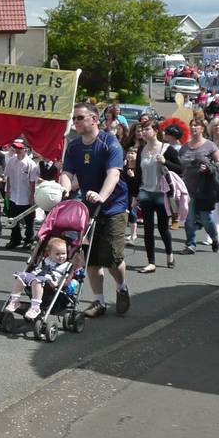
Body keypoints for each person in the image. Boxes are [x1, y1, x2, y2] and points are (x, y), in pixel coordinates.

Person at [60, 100, 130, 318]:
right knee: (90, 257)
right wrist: (62, 191)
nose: (76, 122)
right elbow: (67, 174)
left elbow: (114, 174)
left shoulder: (110, 144)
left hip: (114, 207)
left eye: (80, 118)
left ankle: (121, 287)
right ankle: (98, 301)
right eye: (74, 119)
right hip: (87, 208)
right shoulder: (74, 147)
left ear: (94, 118)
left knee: (112, 258)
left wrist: (101, 195)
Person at [133, 119, 181, 272]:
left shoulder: (167, 149)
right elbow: (138, 174)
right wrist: (135, 195)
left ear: (155, 131)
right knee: (147, 228)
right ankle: (151, 262)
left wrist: (165, 161)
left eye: (147, 129)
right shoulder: (142, 149)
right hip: (146, 193)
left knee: (162, 228)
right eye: (142, 129)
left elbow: (181, 169)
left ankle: (169, 253)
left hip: (162, 194)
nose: (143, 132)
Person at [178, 118, 219, 255]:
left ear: (202, 129)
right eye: (191, 125)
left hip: (204, 189)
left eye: (196, 126)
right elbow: (179, 165)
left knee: (205, 218)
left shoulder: (210, 146)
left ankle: (214, 238)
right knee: (189, 217)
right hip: (187, 188)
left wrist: (208, 167)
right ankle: (191, 245)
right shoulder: (184, 147)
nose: (193, 128)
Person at [3, 236, 69, 321]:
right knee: (21, 276)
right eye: (57, 254)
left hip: (51, 282)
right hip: (38, 277)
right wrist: (30, 275)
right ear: (49, 253)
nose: (61, 256)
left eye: (64, 253)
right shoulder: (46, 260)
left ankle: (35, 307)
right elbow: (38, 270)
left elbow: (66, 277)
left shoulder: (66, 265)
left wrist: (57, 283)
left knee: (37, 281)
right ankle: (14, 301)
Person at [3, 139, 38, 249]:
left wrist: (32, 196)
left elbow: (32, 182)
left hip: (26, 196)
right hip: (13, 195)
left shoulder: (31, 164)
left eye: (20, 148)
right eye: (16, 147)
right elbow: (8, 176)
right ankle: (15, 239)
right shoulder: (11, 161)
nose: (17, 150)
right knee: (13, 219)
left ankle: (29, 239)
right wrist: (7, 192)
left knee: (29, 220)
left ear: (26, 149)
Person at [123, 146, 139, 243]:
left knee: (132, 213)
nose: (130, 155)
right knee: (125, 213)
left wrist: (133, 177)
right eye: (129, 153)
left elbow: (138, 183)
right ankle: (128, 233)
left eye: (132, 153)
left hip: (133, 194)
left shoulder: (138, 169)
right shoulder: (124, 166)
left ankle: (133, 234)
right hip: (123, 193)